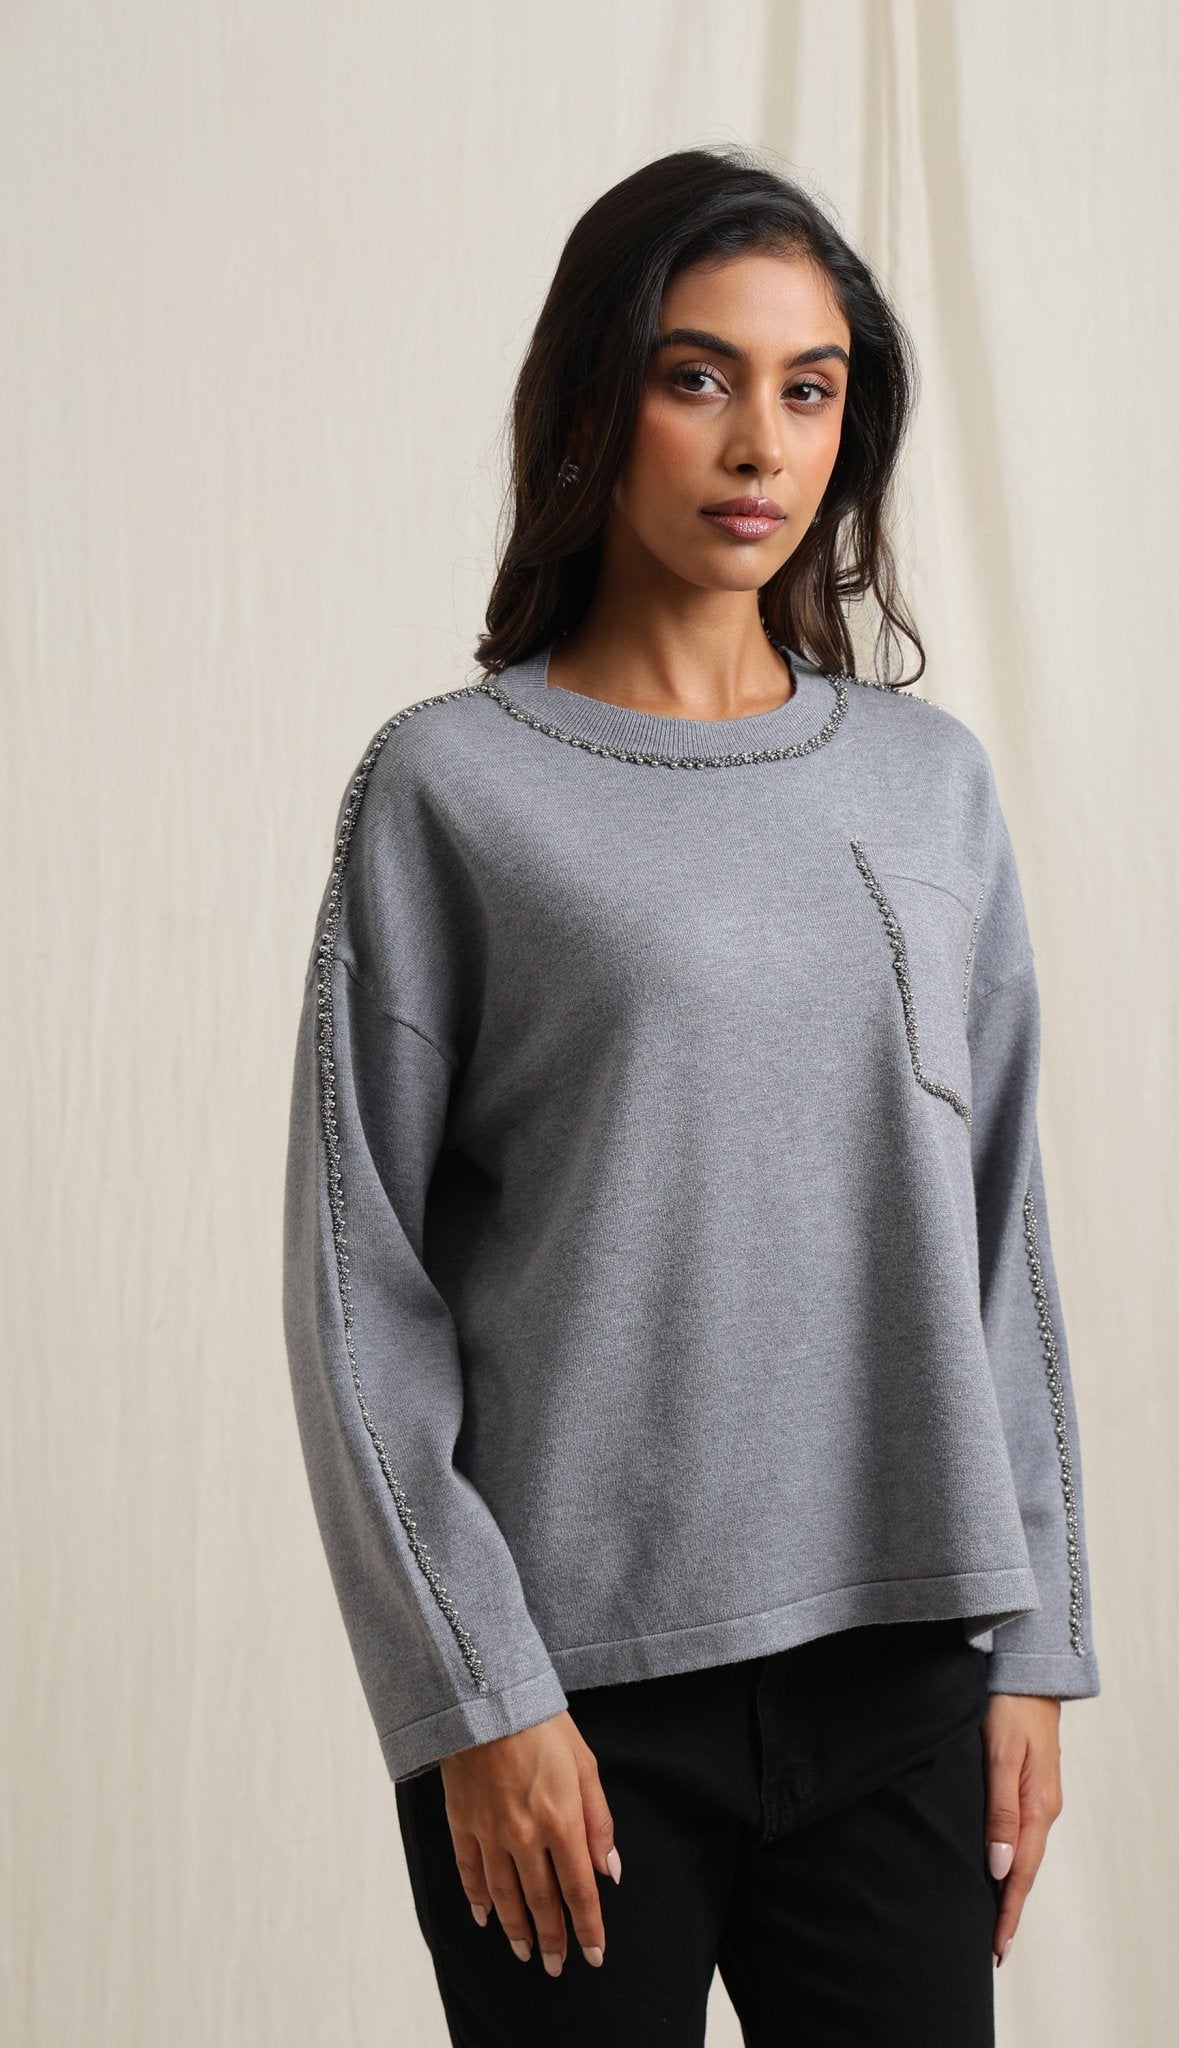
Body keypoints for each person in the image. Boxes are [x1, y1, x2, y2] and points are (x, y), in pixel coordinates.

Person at [281, 143, 1101, 2046]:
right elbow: (357, 1292)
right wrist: (478, 1695)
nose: (758, 444)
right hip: (572, 1710)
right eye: (698, 376)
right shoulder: (452, 788)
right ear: (595, 404)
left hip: (903, 1674)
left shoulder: (926, 784)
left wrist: (1035, 1640)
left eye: (808, 390)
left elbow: (998, 1243)